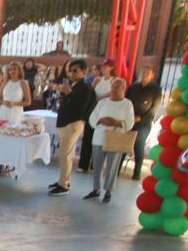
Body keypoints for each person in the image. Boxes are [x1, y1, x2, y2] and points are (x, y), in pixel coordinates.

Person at [50, 59, 95, 196]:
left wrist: (69, 93)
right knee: (65, 154)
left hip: (73, 123)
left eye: (75, 70)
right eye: (70, 70)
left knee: (65, 154)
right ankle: (63, 180)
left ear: (84, 71)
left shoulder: (85, 88)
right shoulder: (73, 85)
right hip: (66, 121)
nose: (72, 73)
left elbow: (82, 106)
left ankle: (63, 185)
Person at [86, 77, 135, 203]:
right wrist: (101, 121)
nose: (113, 89)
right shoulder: (103, 102)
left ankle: (108, 191)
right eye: (112, 87)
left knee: (112, 166)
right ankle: (96, 189)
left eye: (117, 87)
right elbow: (92, 119)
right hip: (99, 137)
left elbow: (130, 123)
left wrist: (115, 123)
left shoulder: (127, 104)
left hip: (115, 139)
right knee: (97, 165)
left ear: (123, 89)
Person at [124, 66, 162, 180]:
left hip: (144, 123)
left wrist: (140, 118)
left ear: (152, 75)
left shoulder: (156, 90)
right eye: (143, 72)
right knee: (124, 143)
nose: (145, 75)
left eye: (147, 73)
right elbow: (126, 101)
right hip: (130, 119)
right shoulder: (133, 87)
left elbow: (154, 108)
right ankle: (117, 168)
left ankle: (137, 172)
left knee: (138, 144)